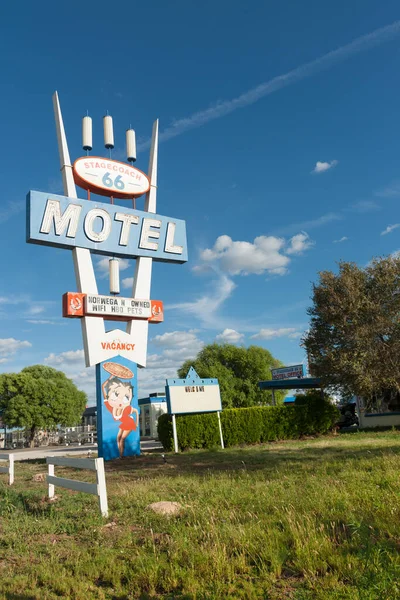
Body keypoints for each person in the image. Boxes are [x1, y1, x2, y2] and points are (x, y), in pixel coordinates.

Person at [102, 375, 139, 458]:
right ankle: (121, 454)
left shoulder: (126, 408)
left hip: (130, 423)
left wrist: (136, 423)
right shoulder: (111, 408)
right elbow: (103, 387)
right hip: (124, 424)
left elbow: (136, 411)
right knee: (118, 438)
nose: (120, 400)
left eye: (126, 397)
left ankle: (121, 456)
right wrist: (110, 378)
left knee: (122, 439)